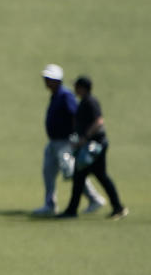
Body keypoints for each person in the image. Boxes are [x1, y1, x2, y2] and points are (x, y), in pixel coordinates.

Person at [34, 64, 104, 215]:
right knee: (48, 172)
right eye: (46, 78)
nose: (46, 81)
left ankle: (94, 199)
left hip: (65, 142)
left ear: (58, 80)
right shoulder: (55, 95)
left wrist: (76, 138)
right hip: (53, 142)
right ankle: (50, 205)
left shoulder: (65, 95)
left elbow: (75, 116)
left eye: (50, 79)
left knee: (72, 172)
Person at [57, 76, 127, 220]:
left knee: (88, 176)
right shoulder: (84, 102)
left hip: (94, 147)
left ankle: (73, 210)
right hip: (90, 146)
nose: (75, 89)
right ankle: (116, 207)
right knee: (87, 177)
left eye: (77, 86)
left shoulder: (90, 101)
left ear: (82, 88)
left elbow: (99, 121)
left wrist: (84, 138)